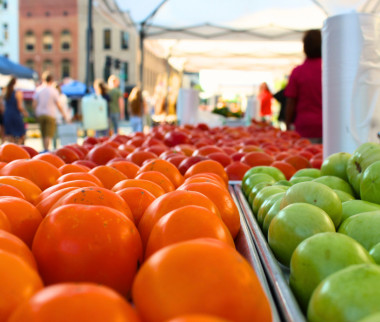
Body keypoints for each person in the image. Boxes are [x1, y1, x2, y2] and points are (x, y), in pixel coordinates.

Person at [284, 29, 322, 143]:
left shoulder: (298, 72)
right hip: (328, 126)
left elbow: (291, 102)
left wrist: (287, 125)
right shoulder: (330, 71)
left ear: (305, 47)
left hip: (304, 127)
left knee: (304, 158)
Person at [33, 71, 69, 152]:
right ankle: (46, 150)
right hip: (50, 114)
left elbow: (34, 104)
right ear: (51, 80)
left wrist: (35, 113)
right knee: (48, 134)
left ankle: (44, 149)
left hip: (40, 114)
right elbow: (58, 104)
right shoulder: (53, 90)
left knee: (43, 133)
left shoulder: (39, 90)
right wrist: (64, 114)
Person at [2, 76, 28, 144]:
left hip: (7, 115)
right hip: (15, 115)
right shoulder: (18, 93)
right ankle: (18, 150)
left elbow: (2, 106)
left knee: (10, 136)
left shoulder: (5, 92)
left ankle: (12, 151)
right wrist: (25, 112)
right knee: (21, 135)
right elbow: (19, 106)